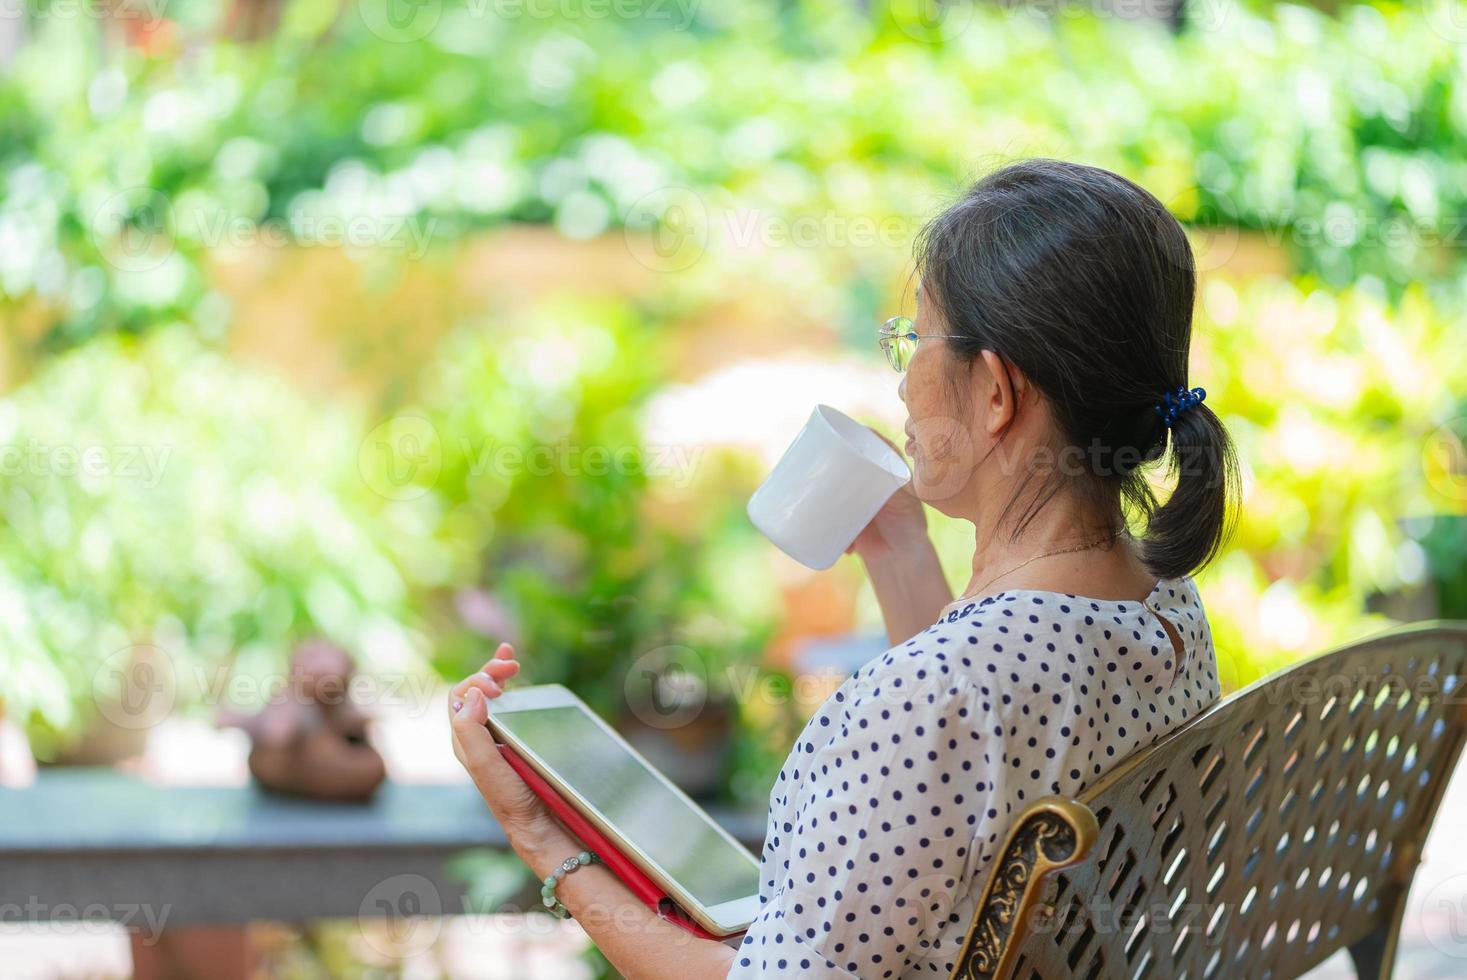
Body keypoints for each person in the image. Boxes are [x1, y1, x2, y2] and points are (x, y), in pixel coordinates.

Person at [448, 159, 1239, 979]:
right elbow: (971, 759)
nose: (900, 379)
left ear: (996, 392)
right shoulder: (1164, 609)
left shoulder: (928, 699)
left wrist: (545, 842)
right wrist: (900, 553)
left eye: (914, 341)